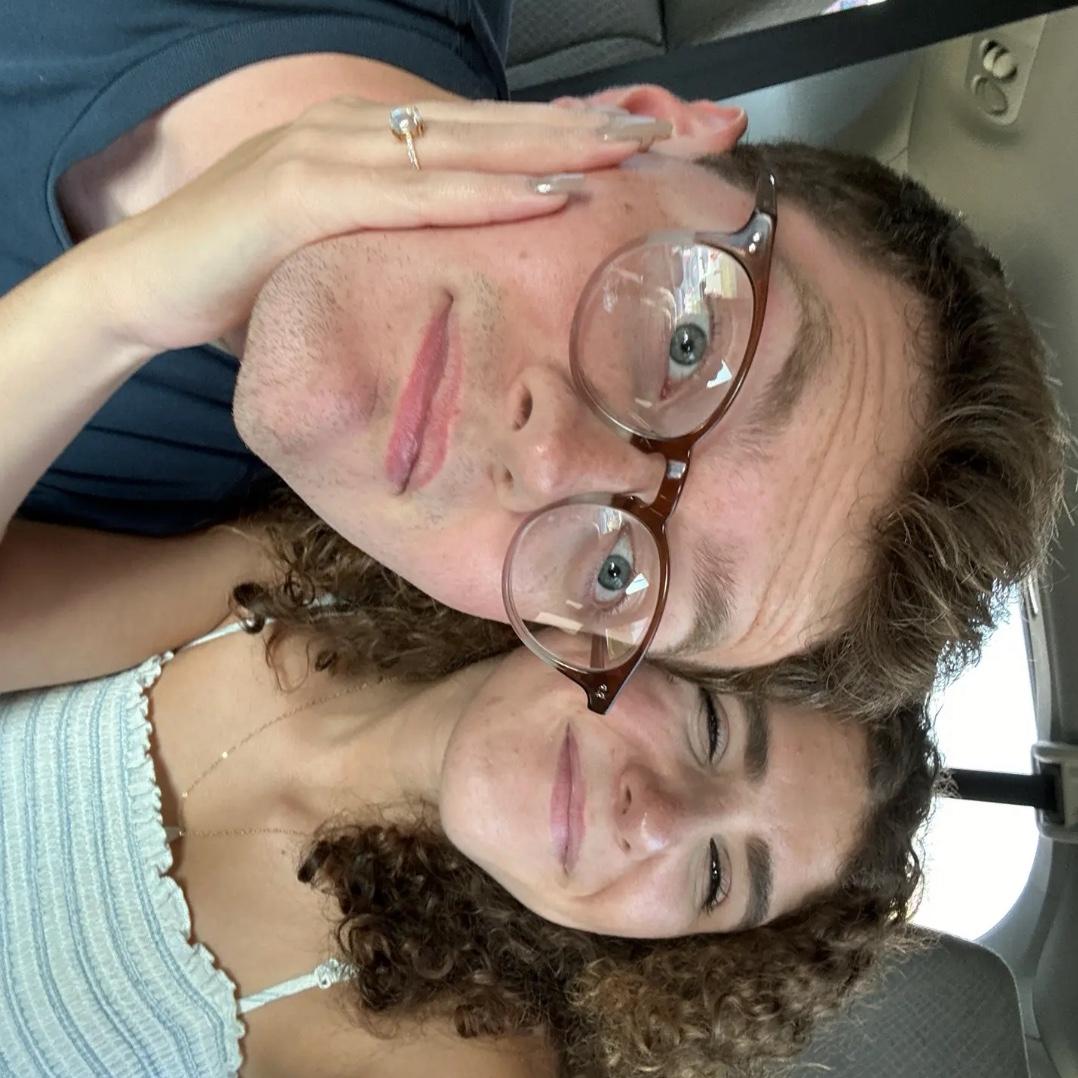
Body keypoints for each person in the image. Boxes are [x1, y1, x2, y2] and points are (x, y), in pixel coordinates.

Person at [3, 0, 1065, 719]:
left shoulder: (185, 519)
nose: (552, 463)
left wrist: (111, 309)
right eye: (686, 346)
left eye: (614, 573)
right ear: (639, 128)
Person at [0, 522, 939, 1078]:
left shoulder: (452, 1051)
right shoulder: (312, 580)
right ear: (624, 621)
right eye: (712, 730)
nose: (657, 819)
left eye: (717, 875)